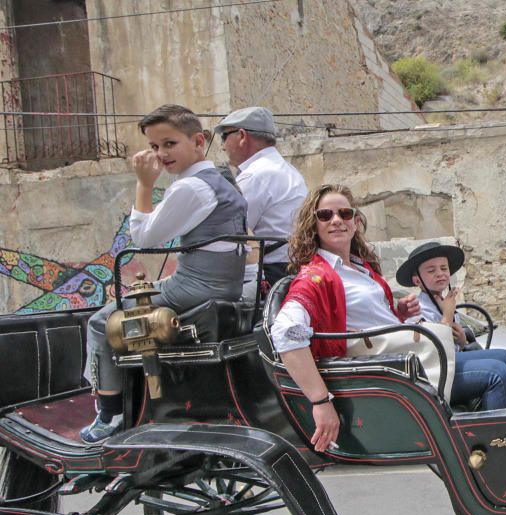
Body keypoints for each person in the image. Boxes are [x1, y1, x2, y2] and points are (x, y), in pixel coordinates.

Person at [81, 104, 248, 443]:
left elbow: (144, 238)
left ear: (198, 141)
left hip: (197, 288)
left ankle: (109, 414)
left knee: (101, 322)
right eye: (155, 147)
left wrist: (144, 185)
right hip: (220, 284)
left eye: (169, 144)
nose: (161, 154)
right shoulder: (220, 180)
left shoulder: (191, 188)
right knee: (136, 296)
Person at [269, 184, 421, 452]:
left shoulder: (361, 268)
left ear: (355, 220)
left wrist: (398, 314)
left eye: (345, 213)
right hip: (393, 368)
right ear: (313, 224)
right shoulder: (315, 277)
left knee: (503, 363)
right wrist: (319, 401)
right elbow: (285, 332)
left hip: (407, 354)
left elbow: (357, 320)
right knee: (497, 370)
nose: (337, 220)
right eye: (325, 215)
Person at [395, 241, 506, 411]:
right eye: (431, 270)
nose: (440, 274)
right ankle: (500, 434)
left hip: (452, 364)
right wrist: (447, 316)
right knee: (498, 372)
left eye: (444, 268)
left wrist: (463, 342)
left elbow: (457, 348)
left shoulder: (445, 302)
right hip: (434, 373)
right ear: (417, 280)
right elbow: (432, 352)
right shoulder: (417, 310)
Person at [214, 106, 308, 297]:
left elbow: (230, 232)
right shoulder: (285, 169)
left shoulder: (255, 176)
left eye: (224, 137)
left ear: (242, 136)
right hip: (291, 270)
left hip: (271, 274)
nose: (222, 146)